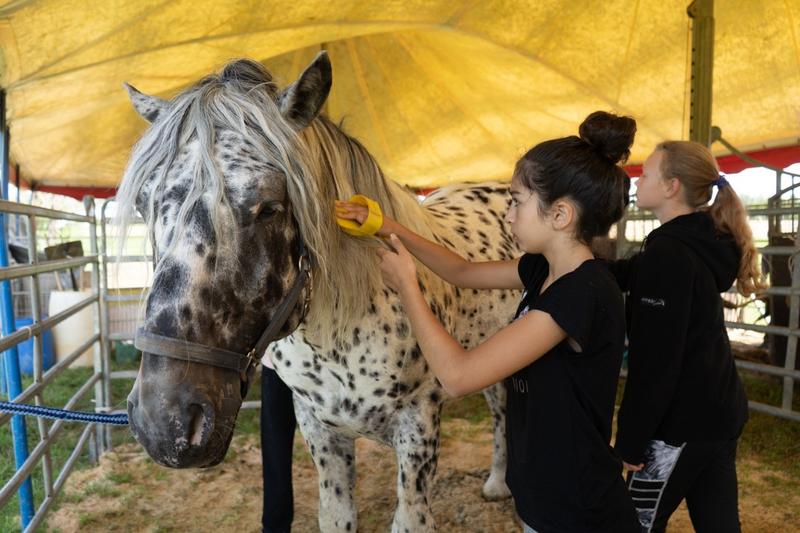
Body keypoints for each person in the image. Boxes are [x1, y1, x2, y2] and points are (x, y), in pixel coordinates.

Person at [336, 111, 641, 532]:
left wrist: (408, 287)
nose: (508, 216)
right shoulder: (542, 269)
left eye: (517, 202)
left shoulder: (581, 295)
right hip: (548, 497)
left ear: (560, 215)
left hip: (579, 511)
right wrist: (387, 225)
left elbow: (459, 376)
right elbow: (461, 271)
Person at [609, 141, 766, 532]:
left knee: (631, 525)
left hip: (680, 429)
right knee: (719, 524)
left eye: (645, 174)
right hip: (720, 412)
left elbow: (656, 363)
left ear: (671, 187)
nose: (637, 180)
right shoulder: (696, 242)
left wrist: (629, 441)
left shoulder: (670, 253)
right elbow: (631, 272)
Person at [261, 362, 296, 533]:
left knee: (332, 443)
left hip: (327, 360)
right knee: (275, 444)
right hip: (278, 360)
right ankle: (275, 527)